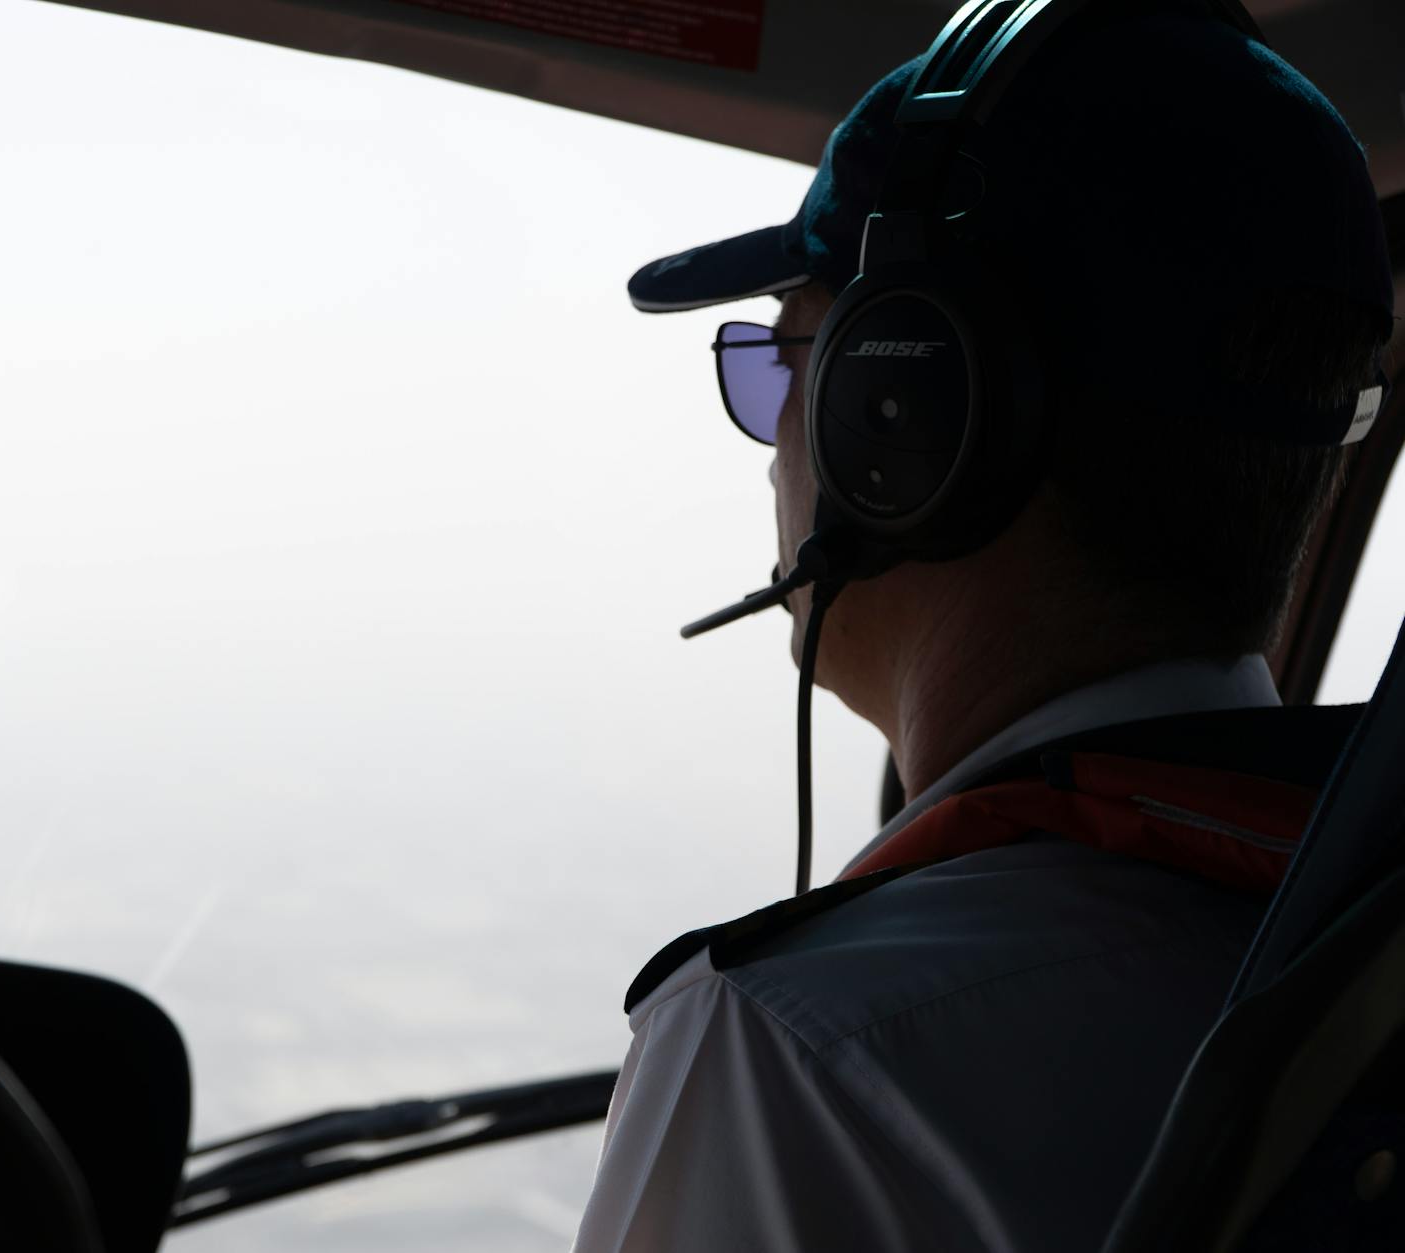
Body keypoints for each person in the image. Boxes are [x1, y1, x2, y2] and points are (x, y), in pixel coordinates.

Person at [571, 5, 1395, 1252]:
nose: (769, 456)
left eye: (784, 368)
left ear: (898, 414)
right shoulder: (1350, 939)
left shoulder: (803, 1047)